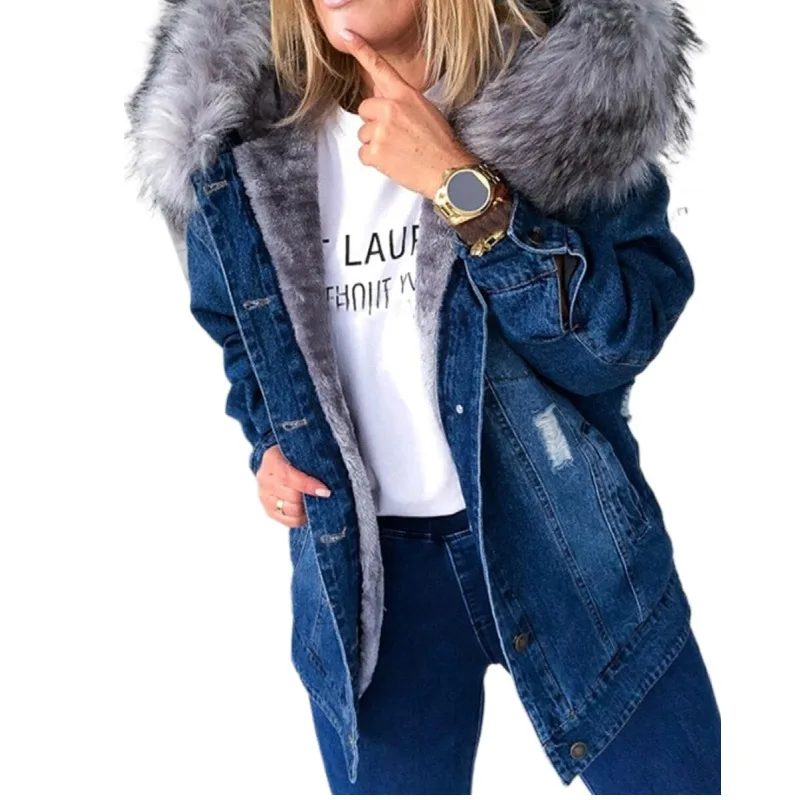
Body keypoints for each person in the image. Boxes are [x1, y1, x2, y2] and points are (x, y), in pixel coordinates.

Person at [126, 0, 721, 794]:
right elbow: (236, 322)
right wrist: (270, 440)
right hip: (370, 584)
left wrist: (459, 187)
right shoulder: (249, 148)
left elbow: (619, 339)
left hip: (568, 543)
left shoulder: (561, 105)